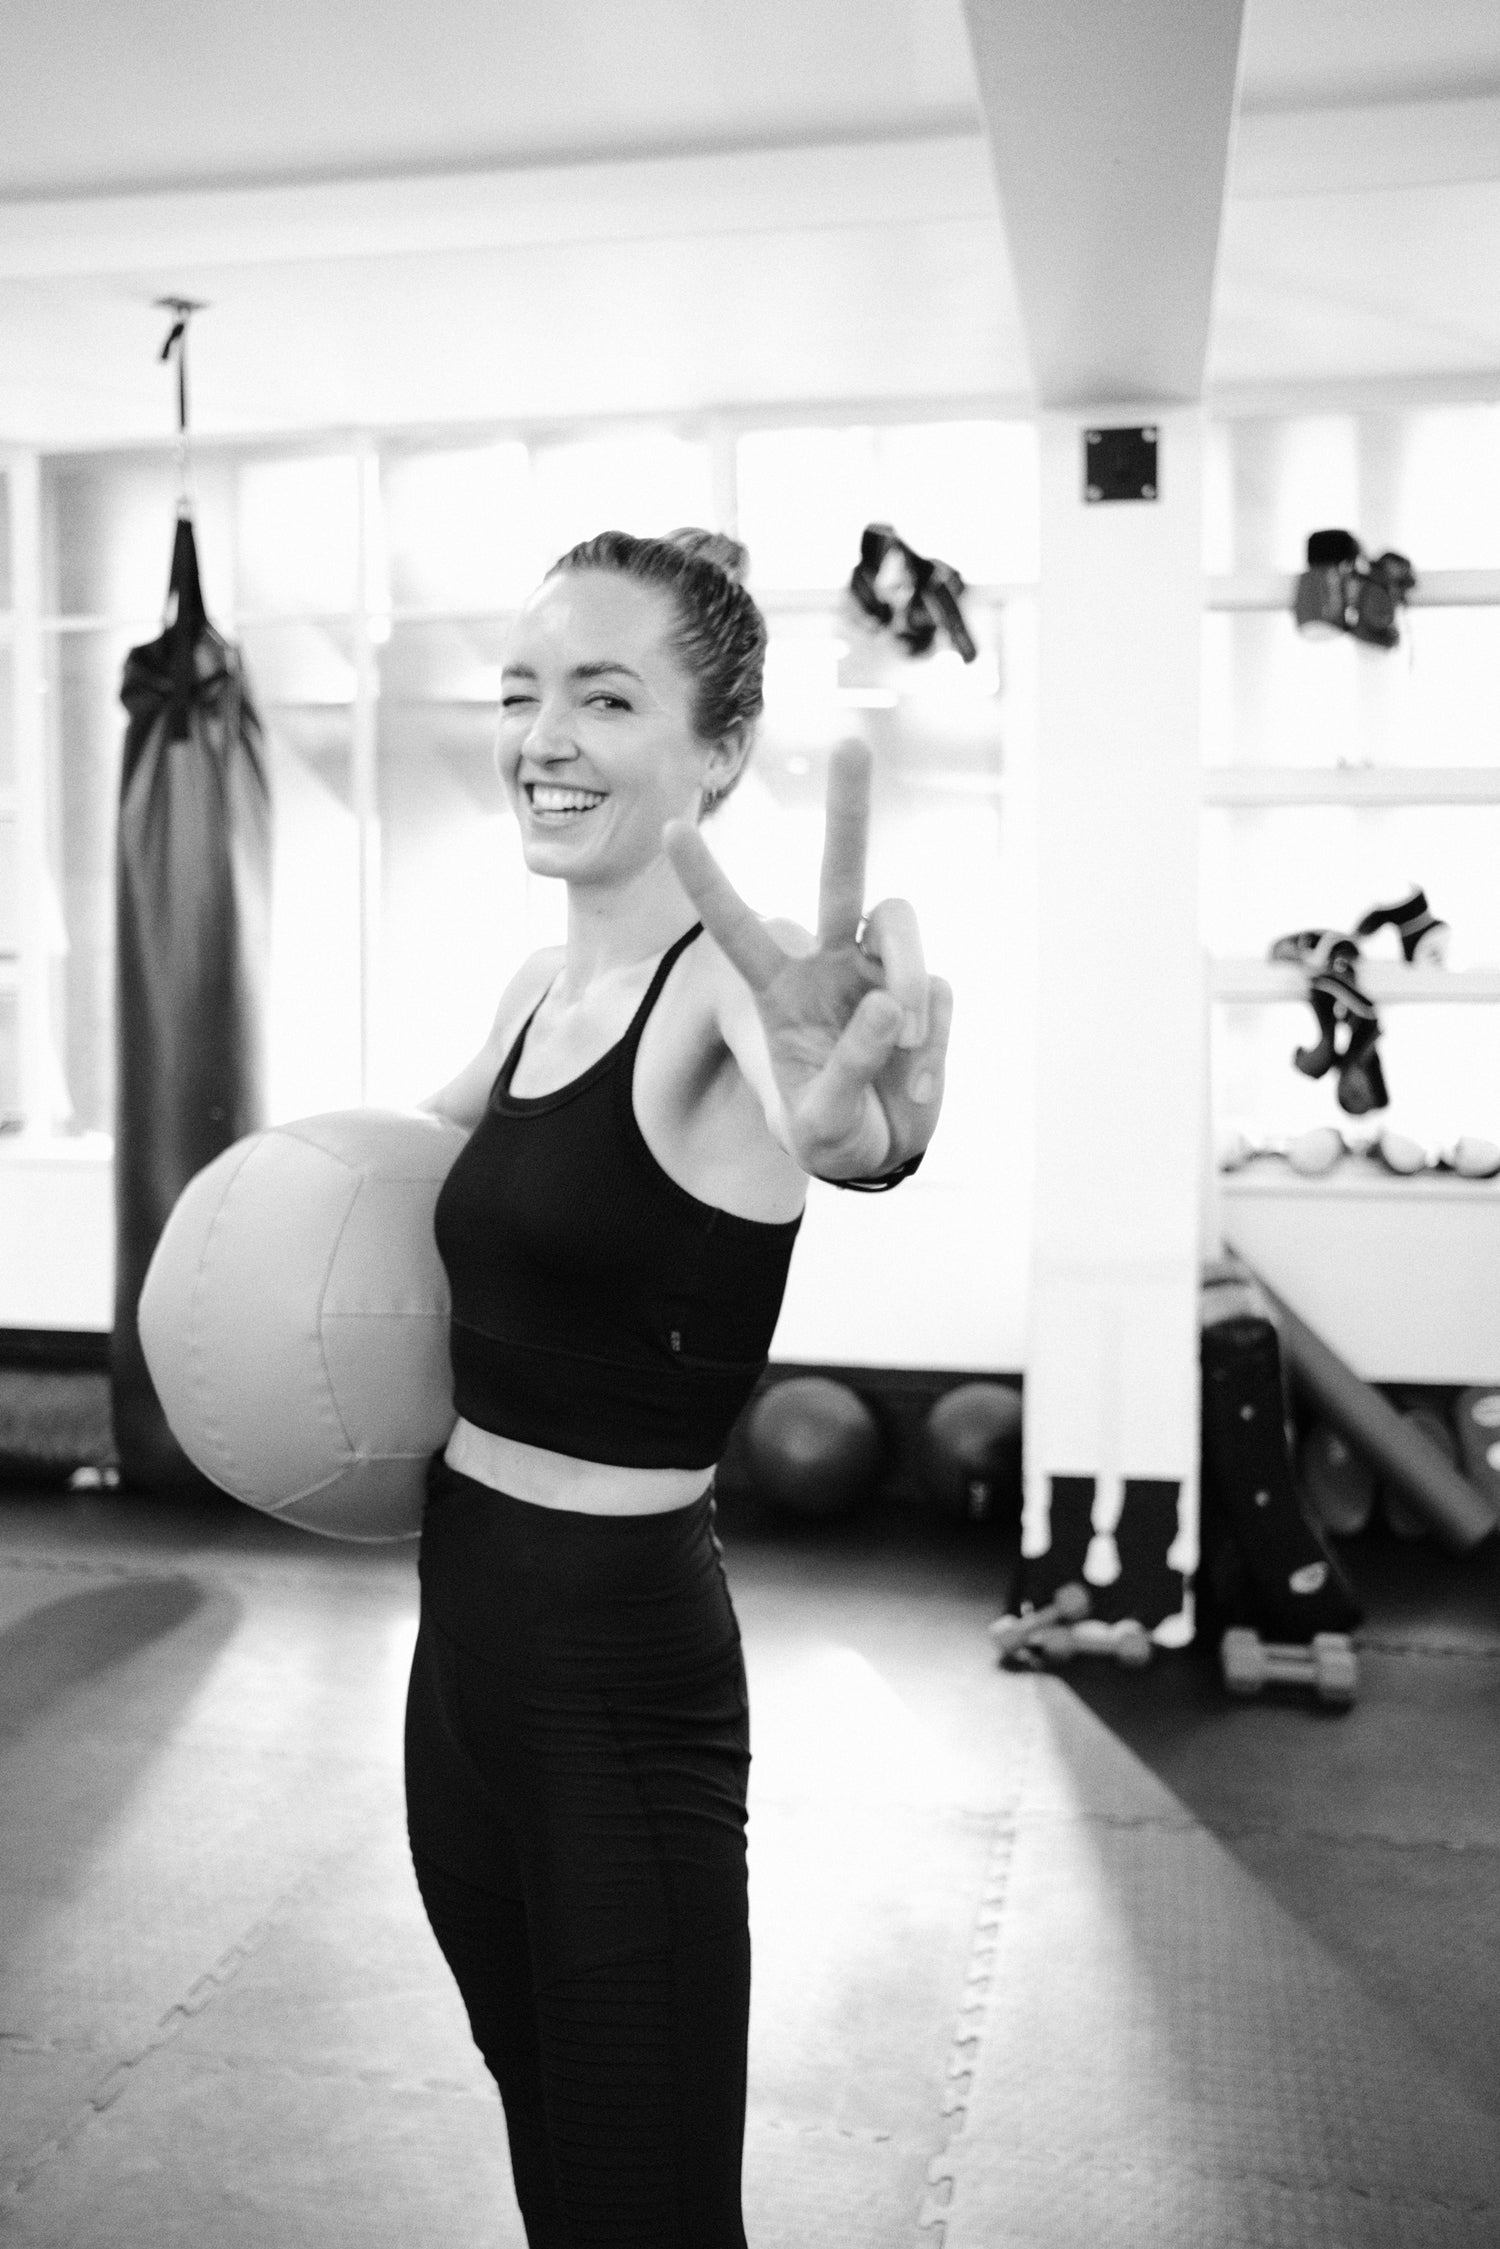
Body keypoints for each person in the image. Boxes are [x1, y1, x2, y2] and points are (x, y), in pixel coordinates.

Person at [407, 527, 952, 2249]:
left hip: (617, 1684)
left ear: (718, 751)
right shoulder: (523, 997)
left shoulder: (735, 990)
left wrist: (869, 1133)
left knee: (648, 2209)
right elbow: (352, 1206)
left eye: (605, 697)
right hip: (461, 1660)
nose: (541, 735)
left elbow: (832, 1118)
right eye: (520, 693)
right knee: (551, 2153)